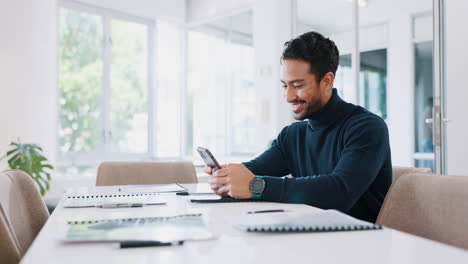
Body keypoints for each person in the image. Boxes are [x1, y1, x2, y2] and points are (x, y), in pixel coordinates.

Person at [205, 31, 392, 223]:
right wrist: (226, 176)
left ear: (327, 81)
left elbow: (340, 192)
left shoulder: (366, 128)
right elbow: (253, 171)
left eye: (298, 85)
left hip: (361, 242)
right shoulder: (292, 135)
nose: (288, 97)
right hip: (307, 234)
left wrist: (256, 186)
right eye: (285, 86)